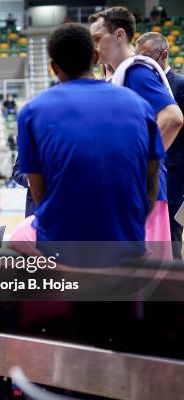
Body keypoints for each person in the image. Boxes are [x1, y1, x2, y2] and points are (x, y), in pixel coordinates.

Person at [12, 23, 163, 262]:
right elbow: (151, 179)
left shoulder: (31, 112)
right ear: (94, 56)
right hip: (126, 246)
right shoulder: (138, 105)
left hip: (63, 249)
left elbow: (39, 191)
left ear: (54, 67)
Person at [90, 7, 183, 257]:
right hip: (140, 196)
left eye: (98, 38)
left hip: (144, 195)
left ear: (119, 35)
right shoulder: (123, 75)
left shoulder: (136, 71)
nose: (94, 46)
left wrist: (139, 167)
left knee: (146, 284)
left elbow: (173, 118)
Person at [136, 32, 184, 259]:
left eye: (146, 57)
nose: (141, 63)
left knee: (172, 241)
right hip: (146, 177)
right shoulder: (136, 83)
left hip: (176, 179)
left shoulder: (181, 85)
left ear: (163, 55)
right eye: (138, 57)